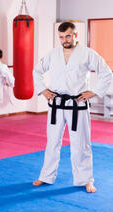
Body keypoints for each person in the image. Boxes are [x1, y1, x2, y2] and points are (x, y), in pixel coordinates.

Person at [32, 22, 112, 193]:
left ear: (75, 35)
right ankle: (46, 176)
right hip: (56, 104)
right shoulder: (53, 54)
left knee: (81, 143)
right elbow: (37, 71)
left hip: (78, 105)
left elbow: (107, 74)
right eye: (61, 37)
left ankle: (86, 180)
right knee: (52, 142)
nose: (64, 40)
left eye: (68, 36)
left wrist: (94, 92)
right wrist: (43, 90)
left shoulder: (88, 54)